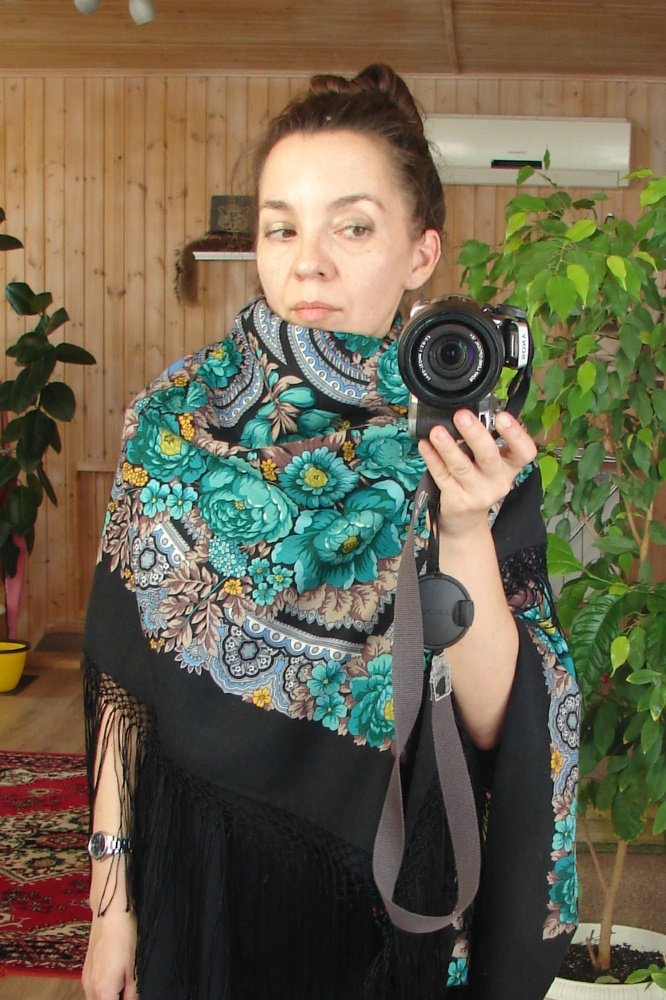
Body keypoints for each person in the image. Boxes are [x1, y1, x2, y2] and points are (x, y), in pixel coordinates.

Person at [82, 64, 580, 1000]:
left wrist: (464, 523)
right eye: (282, 227)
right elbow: (124, 687)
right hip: (199, 887)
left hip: (386, 904)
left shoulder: (466, 445)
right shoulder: (172, 423)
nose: (307, 263)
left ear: (421, 254)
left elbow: (496, 721)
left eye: (352, 227)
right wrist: (112, 905)